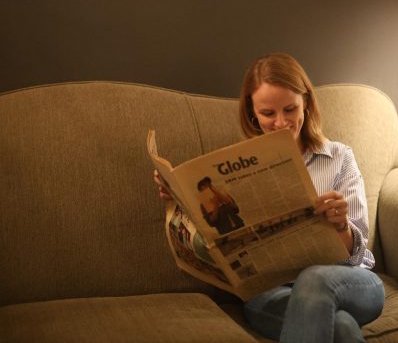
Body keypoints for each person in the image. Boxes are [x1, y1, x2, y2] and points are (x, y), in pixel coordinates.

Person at [154, 53, 384, 343]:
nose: (281, 123)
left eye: (290, 109)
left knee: (314, 280)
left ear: (307, 104)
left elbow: (357, 253)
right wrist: (180, 200)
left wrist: (340, 225)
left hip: (352, 283)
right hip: (271, 292)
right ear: (252, 114)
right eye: (268, 114)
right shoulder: (236, 170)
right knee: (341, 328)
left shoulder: (339, 158)